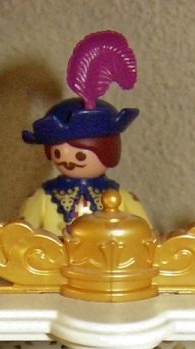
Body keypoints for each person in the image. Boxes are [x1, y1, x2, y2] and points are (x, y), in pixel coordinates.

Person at [20, 31, 150, 235]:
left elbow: (145, 234)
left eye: (80, 155)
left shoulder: (122, 198)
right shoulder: (43, 198)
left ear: (108, 152)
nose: (68, 161)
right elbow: (21, 235)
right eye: (57, 153)